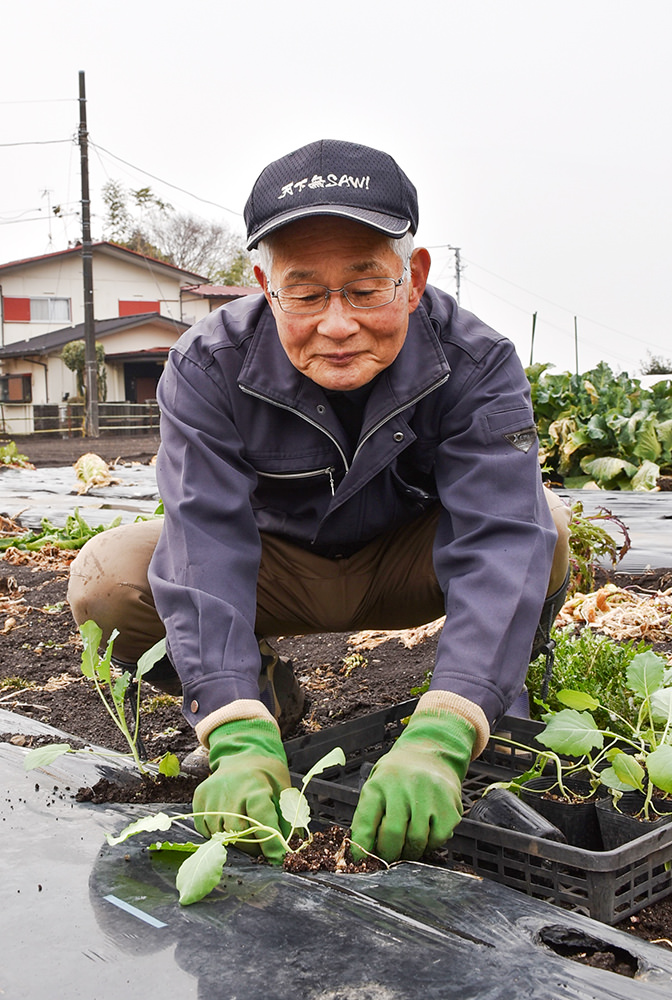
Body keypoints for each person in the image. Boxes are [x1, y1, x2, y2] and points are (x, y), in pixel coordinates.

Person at [68, 139, 570, 865]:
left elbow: (498, 538)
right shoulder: (210, 362)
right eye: (305, 293)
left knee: (543, 528)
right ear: (264, 286)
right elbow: (205, 535)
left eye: (366, 289)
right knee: (108, 576)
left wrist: (445, 726)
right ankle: (261, 704)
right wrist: (230, 724)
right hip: (278, 571)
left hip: (409, 565)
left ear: (415, 278)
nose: (337, 323)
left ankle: (497, 707)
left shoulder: (475, 360)